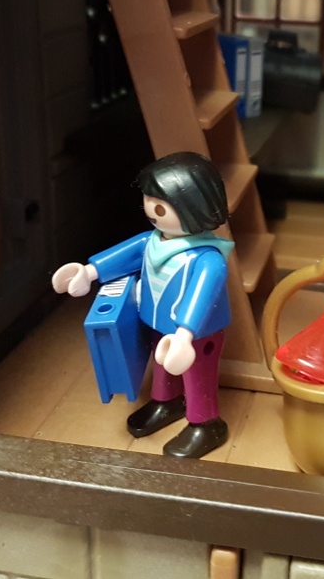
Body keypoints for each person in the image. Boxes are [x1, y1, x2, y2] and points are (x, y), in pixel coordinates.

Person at [52, 151, 233, 459]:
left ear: (193, 207)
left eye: (160, 206)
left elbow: (201, 297)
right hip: (158, 323)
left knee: (197, 375)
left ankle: (205, 423)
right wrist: (89, 272)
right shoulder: (152, 241)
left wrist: (185, 334)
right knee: (161, 368)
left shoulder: (207, 258)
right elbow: (124, 256)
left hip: (195, 335)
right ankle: (166, 402)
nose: (151, 211)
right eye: (148, 201)